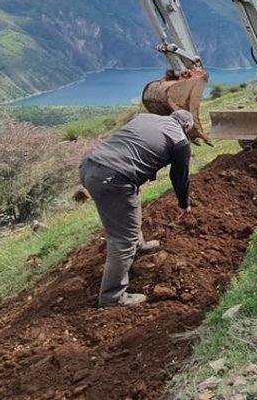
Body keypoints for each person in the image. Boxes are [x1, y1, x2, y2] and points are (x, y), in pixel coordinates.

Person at [79, 110, 194, 308]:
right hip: (112, 178)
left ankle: (138, 245)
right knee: (123, 239)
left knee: (130, 204)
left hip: (90, 166)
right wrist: (184, 204)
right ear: (187, 127)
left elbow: (130, 144)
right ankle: (112, 297)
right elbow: (180, 177)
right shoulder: (180, 141)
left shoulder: (145, 117)